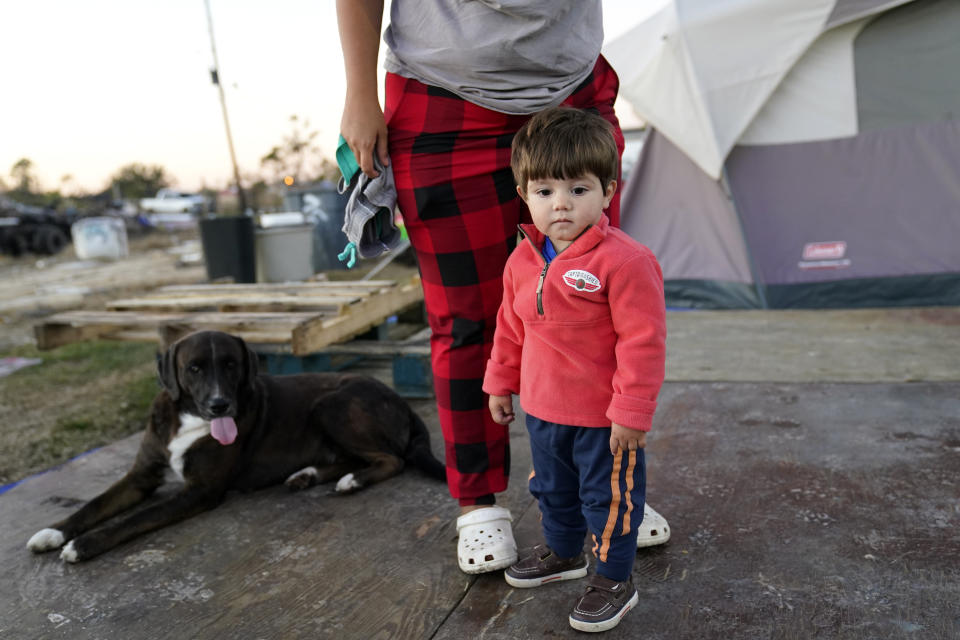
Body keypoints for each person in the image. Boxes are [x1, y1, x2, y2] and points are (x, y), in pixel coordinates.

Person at [335, 0, 669, 577]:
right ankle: (478, 502)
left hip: (571, 89)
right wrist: (359, 93)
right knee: (465, 317)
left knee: (594, 308)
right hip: (443, 94)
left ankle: (608, 490)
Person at [483, 106, 666, 633]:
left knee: (608, 497)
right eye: (544, 192)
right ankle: (564, 555)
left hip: (604, 421)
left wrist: (632, 411)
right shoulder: (521, 260)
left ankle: (613, 578)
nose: (560, 203)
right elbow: (510, 326)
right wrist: (499, 380)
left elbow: (643, 342)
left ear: (608, 190)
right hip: (543, 411)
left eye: (577, 189)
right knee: (551, 489)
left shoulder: (626, 262)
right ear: (524, 194)